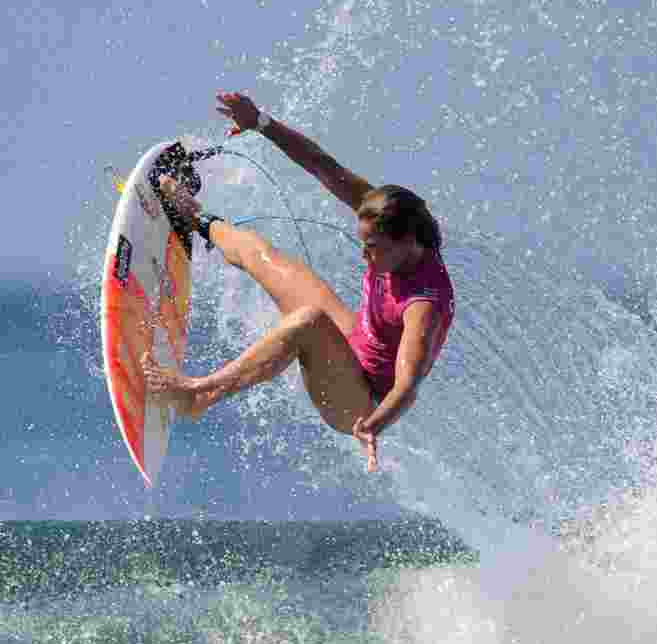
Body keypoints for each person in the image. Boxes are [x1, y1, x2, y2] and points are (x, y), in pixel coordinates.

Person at [142, 91, 455, 472]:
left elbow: (407, 386)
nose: (364, 256)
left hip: (359, 401)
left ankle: (198, 393)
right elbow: (322, 166)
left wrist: (374, 426)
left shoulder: (423, 304)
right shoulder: (389, 217)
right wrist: (260, 123)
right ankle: (194, 218)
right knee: (265, 257)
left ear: (407, 242)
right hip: (353, 343)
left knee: (308, 321)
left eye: (372, 248)